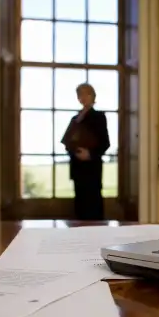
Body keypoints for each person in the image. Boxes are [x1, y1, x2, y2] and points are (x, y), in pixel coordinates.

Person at [60, 83, 110, 220]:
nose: (83, 97)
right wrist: (75, 152)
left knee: (93, 200)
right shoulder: (74, 119)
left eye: (86, 94)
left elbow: (105, 143)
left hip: (92, 166)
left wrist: (90, 154)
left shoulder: (99, 117)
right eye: (80, 94)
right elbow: (68, 142)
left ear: (93, 96)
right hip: (77, 166)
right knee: (80, 201)